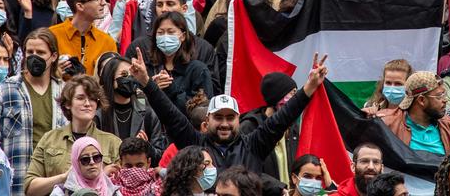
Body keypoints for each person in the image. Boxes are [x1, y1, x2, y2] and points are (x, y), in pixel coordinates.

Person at [129, 51, 328, 173]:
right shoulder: (195, 144)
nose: (224, 123)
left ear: (238, 119)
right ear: (208, 120)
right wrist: (147, 83)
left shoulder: (254, 145)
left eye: (230, 118)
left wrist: (308, 87)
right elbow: (171, 116)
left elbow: (282, 119)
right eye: (218, 117)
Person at [0, 28, 66, 196]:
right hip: (16, 185)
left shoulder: (64, 92)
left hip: (56, 185)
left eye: (41, 52)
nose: (34, 56)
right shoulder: (6, 90)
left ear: (54, 56)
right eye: (30, 51)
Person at [25, 75, 121, 196]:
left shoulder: (113, 143)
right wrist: (65, 177)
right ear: (67, 104)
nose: (87, 103)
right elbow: (30, 187)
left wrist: (100, 176)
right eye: (80, 98)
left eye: (92, 99)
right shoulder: (49, 139)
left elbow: (122, 185)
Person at [379, 71, 450, 155]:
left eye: (444, 94)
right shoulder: (388, 123)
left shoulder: (447, 124)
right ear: (421, 100)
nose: (445, 100)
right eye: (439, 96)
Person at [95, 56, 165, 159]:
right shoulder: (99, 116)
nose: (130, 78)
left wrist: (146, 147)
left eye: (132, 74)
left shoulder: (148, 113)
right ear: (110, 79)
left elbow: (160, 156)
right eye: (124, 74)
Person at [239, 72, 299, 184]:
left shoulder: (292, 127)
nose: (295, 99)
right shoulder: (250, 126)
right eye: (292, 93)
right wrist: (277, 187)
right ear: (278, 96)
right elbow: (245, 170)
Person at [147, 11, 213, 112]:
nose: (165, 37)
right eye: (160, 32)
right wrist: (152, 89)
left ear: (182, 36)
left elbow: (201, 112)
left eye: (171, 32)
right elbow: (140, 105)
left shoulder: (198, 70)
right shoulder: (149, 68)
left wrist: (172, 90)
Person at [50, 0, 116, 75]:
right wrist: (53, 71)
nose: (104, 3)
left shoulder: (107, 42)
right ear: (80, 6)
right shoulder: (52, 36)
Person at [49, 136, 120, 196]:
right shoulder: (62, 192)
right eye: (85, 159)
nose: (92, 162)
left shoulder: (113, 191)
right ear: (76, 163)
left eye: (96, 157)